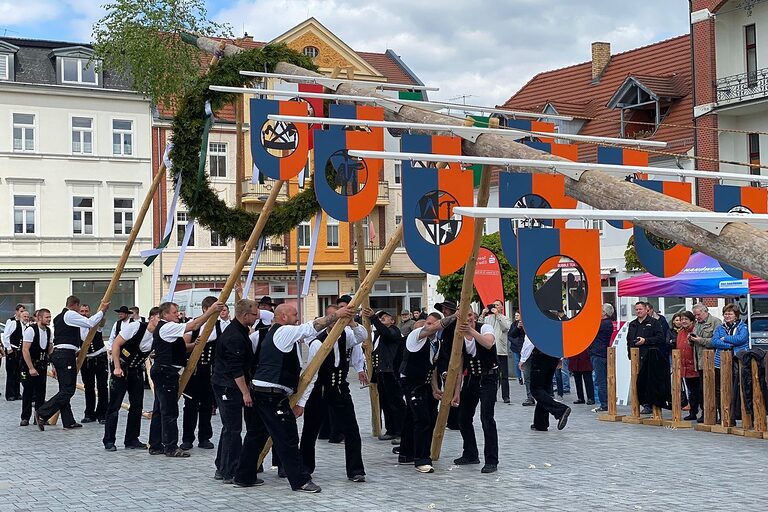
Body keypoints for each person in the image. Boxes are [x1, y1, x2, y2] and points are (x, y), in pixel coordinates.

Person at [233, 303, 356, 492]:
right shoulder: (284, 331)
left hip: (263, 391)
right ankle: (300, 481)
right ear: (283, 317)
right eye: (294, 314)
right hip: (272, 394)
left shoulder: (274, 332)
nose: (297, 317)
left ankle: (243, 476)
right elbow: (311, 327)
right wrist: (337, 315)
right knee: (287, 437)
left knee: (255, 436)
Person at [299, 305, 368, 482]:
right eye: (332, 317)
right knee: (310, 430)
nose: (335, 321)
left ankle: (355, 470)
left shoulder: (347, 334)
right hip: (319, 389)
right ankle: (305, 467)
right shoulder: (316, 340)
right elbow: (311, 373)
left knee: (352, 429)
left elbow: (362, 336)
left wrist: (352, 322)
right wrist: (302, 400)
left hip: (339, 388)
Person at [148, 300, 223, 457]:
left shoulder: (166, 327)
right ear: (165, 314)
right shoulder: (167, 327)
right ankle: (170, 447)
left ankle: (156, 444)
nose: (177, 315)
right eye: (174, 312)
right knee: (169, 411)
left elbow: (178, 347)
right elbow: (193, 326)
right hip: (166, 372)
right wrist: (210, 312)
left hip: (165, 371)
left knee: (159, 410)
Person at [35, 296, 109, 431]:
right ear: (75, 305)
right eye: (79, 309)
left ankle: (68, 421)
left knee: (64, 389)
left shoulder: (59, 317)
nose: (80, 312)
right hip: (65, 355)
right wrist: (102, 310)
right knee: (69, 389)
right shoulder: (69, 314)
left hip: (61, 354)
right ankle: (42, 412)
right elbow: (91, 322)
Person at [212, 299, 260, 483]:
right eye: (255, 314)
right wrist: (245, 393)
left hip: (227, 384)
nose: (257, 318)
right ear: (245, 315)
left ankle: (222, 467)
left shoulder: (240, 331)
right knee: (233, 429)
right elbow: (236, 369)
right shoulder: (234, 336)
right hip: (228, 386)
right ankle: (230, 471)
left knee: (229, 428)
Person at [399, 312, 454, 474]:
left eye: (432, 324)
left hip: (424, 383)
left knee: (414, 417)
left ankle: (406, 453)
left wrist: (435, 387)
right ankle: (421, 459)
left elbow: (433, 367)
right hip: (410, 382)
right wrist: (455, 316)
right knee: (422, 419)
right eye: (427, 323)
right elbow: (436, 326)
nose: (428, 326)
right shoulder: (417, 335)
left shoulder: (437, 342)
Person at [103, 307, 160, 451]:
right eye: (159, 318)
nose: (161, 322)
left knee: (137, 405)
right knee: (114, 406)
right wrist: (116, 367)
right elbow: (116, 344)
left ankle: (131, 439)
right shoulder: (135, 326)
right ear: (152, 317)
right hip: (120, 367)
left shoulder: (158, 335)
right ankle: (109, 440)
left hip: (136, 370)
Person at [453, 311, 499, 474]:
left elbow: (488, 344)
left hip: (489, 378)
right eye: (465, 315)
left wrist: (471, 330)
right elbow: (459, 364)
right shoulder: (458, 335)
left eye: (471, 314)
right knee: (463, 417)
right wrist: (457, 391)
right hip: (472, 378)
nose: (469, 318)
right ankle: (470, 453)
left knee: (486, 417)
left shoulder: (485, 327)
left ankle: (491, 460)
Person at [181, 296, 221, 451]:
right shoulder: (194, 324)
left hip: (210, 371)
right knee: (190, 405)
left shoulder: (219, 326)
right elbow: (184, 345)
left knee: (207, 405)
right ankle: (187, 438)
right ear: (205, 309)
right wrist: (194, 344)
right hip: (194, 371)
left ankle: (205, 437)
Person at [365, 308, 405, 441]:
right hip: (381, 371)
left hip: (391, 372)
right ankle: (391, 429)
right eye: (380, 317)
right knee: (385, 402)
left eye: (385, 317)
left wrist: (374, 319)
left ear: (392, 320)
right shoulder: (377, 334)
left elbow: (386, 333)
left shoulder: (394, 331)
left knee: (396, 402)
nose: (382, 318)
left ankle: (401, 431)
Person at [520, 336, 571, 431]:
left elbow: (530, 340)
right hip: (553, 355)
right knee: (544, 389)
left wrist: (523, 359)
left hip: (540, 356)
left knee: (536, 389)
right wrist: (560, 356)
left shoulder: (536, 322)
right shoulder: (554, 321)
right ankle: (540, 423)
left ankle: (560, 410)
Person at [627, 301, 669, 414]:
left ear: (647, 310)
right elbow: (629, 340)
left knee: (649, 381)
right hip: (636, 357)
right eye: (636, 309)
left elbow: (660, 338)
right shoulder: (632, 324)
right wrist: (629, 354)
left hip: (649, 357)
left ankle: (650, 404)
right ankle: (641, 403)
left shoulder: (654, 323)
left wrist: (646, 341)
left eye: (640, 309)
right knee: (638, 381)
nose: (638, 311)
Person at [711, 304, 749, 426]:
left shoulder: (743, 326)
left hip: (738, 361)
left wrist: (725, 338)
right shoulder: (720, 328)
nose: (727, 316)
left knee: (737, 389)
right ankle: (723, 415)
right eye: (725, 314)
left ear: (736, 315)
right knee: (720, 390)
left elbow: (741, 339)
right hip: (720, 362)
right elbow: (714, 341)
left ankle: (739, 416)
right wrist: (729, 345)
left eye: (730, 314)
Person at [20, 309, 52, 426]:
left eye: (49, 317)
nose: (49, 319)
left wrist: (53, 364)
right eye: (46, 317)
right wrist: (31, 368)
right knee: (28, 391)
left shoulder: (49, 331)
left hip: (42, 365)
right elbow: (25, 349)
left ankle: (39, 416)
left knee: (41, 392)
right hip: (30, 364)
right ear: (39, 318)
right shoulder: (31, 330)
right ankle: (25, 417)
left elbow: (49, 349)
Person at [79, 304, 109, 424]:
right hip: (86, 359)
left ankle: (102, 414)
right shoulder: (76, 325)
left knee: (102, 386)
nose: (84, 313)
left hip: (99, 357)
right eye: (82, 311)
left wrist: (102, 311)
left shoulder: (95, 323)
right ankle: (89, 413)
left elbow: (101, 322)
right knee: (88, 387)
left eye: (86, 311)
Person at [480, 300, 511, 404]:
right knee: (493, 375)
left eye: (497, 305)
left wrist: (498, 315)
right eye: (493, 305)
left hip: (501, 350)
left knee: (504, 375)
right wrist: (483, 314)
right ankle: (493, 394)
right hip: (490, 350)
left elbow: (506, 327)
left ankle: (506, 396)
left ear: (502, 307)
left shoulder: (505, 318)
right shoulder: (488, 319)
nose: (495, 307)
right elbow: (479, 327)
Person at [676, 311, 701, 421]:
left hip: (695, 365)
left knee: (699, 391)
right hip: (684, 366)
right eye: (682, 319)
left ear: (692, 320)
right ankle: (693, 412)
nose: (683, 321)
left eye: (686, 319)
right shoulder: (681, 332)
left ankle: (704, 412)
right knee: (690, 391)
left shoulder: (695, 330)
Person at [590, 304, 614, 413]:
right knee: (601, 380)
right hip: (598, 353)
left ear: (604, 313)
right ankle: (605, 403)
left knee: (601, 381)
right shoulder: (606, 323)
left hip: (599, 354)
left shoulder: (604, 324)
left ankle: (604, 404)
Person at [3, 304, 28, 401]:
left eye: (23, 312)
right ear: (17, 311)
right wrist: (8, 348)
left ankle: (17, 393)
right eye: (21, 311)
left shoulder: (23, 323)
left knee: (18, 372)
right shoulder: (12, 322)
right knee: (11, 372)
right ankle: (10, 394)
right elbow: (6, 335)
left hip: (19, 351)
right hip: (12, 350)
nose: (22, 314)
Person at [513, 315, 535, 407]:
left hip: (531, 353)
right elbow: (512, 335)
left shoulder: (532, 324)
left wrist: (523, 359)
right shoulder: (518, 324)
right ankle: (531, 396)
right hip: (524, 352)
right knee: (528, 377)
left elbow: (529, 343)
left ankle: (538, 396)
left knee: (530, 376)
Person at [508, 311, 525, 385]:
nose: (516, 317)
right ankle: (519, 377)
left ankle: (526, 377)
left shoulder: (525, 323)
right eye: (515, 315)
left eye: (518, 315)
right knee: (517, 362)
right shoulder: (514, 324)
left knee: (524, 362)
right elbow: (510, 335)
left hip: (524, 347)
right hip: (515, 347)